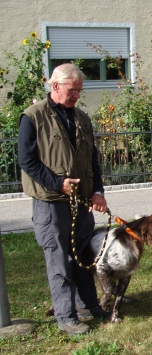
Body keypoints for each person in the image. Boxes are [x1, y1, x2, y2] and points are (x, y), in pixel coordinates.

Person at [18, 63, 110, 335]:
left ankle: (88, 305)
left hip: (81, 202)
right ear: (55, 86)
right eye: (72, 90)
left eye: (79, 91)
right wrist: (58, 183)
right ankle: (66, 316)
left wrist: (98, 192)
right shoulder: (33, 116)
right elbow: (27, 161)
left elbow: (93, 159)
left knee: (82, 256)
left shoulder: (82, 118)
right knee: (59, 260)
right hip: (51, 204)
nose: (77, 95)